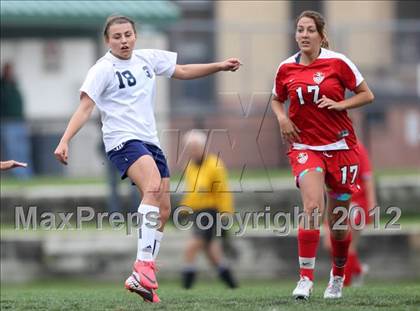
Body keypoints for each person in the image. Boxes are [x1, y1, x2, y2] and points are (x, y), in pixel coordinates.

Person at [53, 15, 241, 303]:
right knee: (153, 188)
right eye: (117, 36)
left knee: (163, 209)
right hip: (122, 141)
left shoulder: (147, 59)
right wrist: (65, 140)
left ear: (135, 35)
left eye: (128, 34)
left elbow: (184, 69)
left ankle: (141, 278)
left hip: (150, 142)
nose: (124, 40)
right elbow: (85, 107)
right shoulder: (102, 69)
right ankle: (143, 266)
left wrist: (218, 66)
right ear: (107, 41)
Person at [271, 10, 374, 300]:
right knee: (312, 207)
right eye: (299, 30)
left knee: (339, 225)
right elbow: (277, 99)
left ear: (320, 34)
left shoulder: (338, 62)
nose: (303, 35)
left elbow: (367, 94)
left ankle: (338, 277)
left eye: (309, 30)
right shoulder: (285, 68)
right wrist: (282, 119)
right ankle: (305, 279)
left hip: (340, 148)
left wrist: (342, 105)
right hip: (305, 147)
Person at [179, 131, 238, 290]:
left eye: (195, 147)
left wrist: (226, 214)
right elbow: (191, 192)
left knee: (191, 247)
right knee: (212, 252)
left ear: (203, 147)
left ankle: (186, 286)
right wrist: (183, 210)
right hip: (197, 213)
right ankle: (232, 284)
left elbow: (223, 191)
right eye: (189, 147)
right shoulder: (190, 166)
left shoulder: (214, 164)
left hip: (211, 213)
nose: (192, 150)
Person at [323, 141, 376, 287]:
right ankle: (357, 270)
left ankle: (343, 283)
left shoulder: (357, 147)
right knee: (329, 243)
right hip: (336, 202)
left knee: (348, 243)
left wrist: (371, 204)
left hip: (356, 202)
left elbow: (367, 177)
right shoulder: (328, 146)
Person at [0, 63, 33, 178]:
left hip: (19, 122)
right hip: (8, 123)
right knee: (13, 150)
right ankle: (18, 175)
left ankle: (26, 174)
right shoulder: (3, 88)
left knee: (23, 150)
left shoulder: (14, 86)